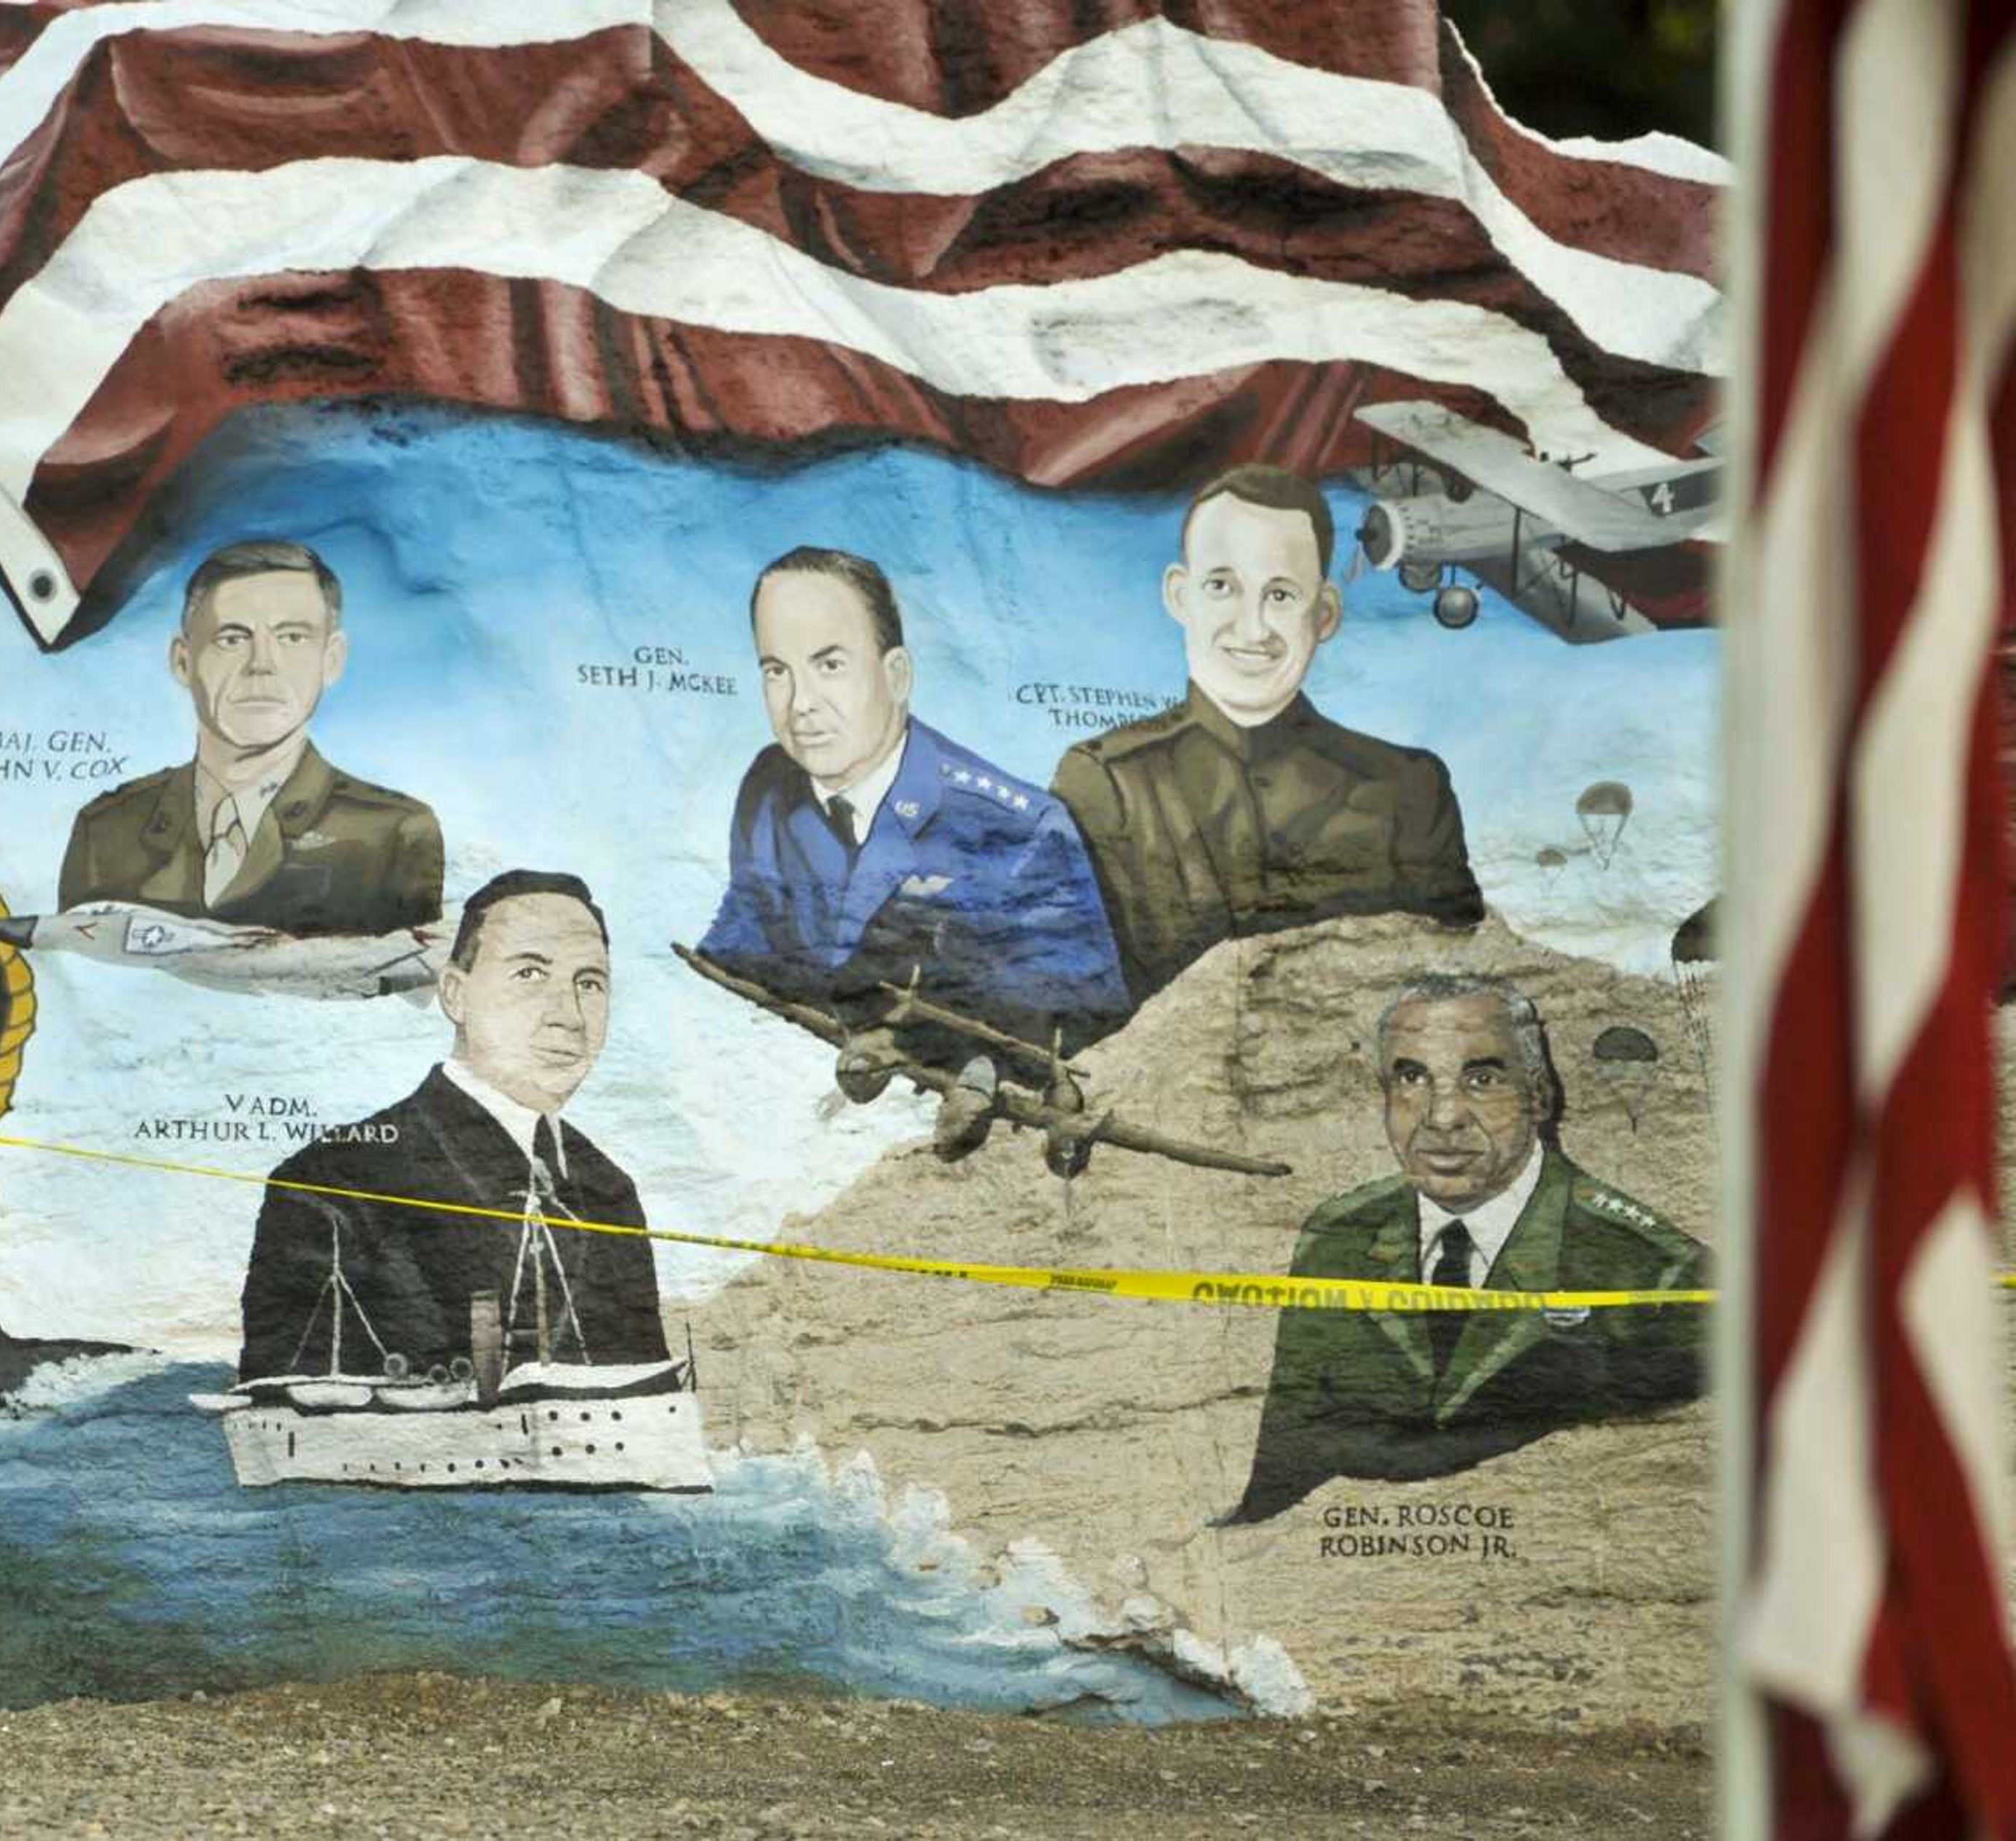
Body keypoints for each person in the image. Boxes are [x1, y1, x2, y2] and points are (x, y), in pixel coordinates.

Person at [1224, 975, 1708, 1524]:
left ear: (1540, 1097)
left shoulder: (1656, 1269)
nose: (1441, 1117)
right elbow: (1291, 1451)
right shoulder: (1340, 1236)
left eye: (1481, 1078)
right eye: (1412, 1077)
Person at [1054, 467, 1482, 1003]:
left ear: (1324, 614)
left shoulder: (1409, 789)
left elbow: (1460, 987)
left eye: (1280, 594)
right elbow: (1069, 992)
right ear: (1180, 596)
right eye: (1221, 587)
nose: (1252, 628)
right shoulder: (1106, 784)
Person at [696, 546, 1130, 1061]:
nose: (800, 703)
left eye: (829, 664)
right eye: (776, 671)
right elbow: (738, 960)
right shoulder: (770, 788)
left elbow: (1079, 1040)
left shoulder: (1022, 830)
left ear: (897, 676)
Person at [235, 871, 668, 1381]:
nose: (570, 1016)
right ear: (455, 995)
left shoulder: (608, 1189)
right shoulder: (331, 1183)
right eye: (530, 974)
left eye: (590, 983)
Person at [57, 540, 441, 936]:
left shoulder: (393, 836)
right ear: (182, 661)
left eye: (292, 637)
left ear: (332, 660)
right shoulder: (105, 832)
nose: (262, 665)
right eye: (232, 639)